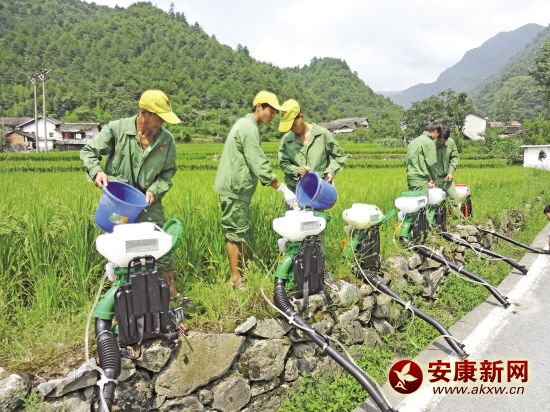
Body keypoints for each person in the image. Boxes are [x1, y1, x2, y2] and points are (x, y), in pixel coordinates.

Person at [81, 90, 180, 299]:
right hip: (120, 204)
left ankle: (170, 294)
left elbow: (168, 172)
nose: (162, 122)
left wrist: (155, 190)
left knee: (160, 246)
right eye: (158, 117)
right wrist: (97, 172)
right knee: (121, 250)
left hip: (148, 204)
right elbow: (88, 151)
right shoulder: (117, 130)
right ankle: (123, 296)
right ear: (143, 112)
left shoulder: (166, 140)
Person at [214, 91, 297, 288]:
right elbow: (257, 161)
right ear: (259, 106)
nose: (273, 116)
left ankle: (239, 276)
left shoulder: (247, 126)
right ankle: (236, 279)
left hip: (237, 188)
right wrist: (281, 187)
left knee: (239, 231)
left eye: (275, 112)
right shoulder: (248, 128)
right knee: (235, 233)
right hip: (235, 189)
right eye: (271, 111)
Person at [278, 99, 348, 193]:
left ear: (301, 117)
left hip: (319, 190)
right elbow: (283, 163)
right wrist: (298, 170)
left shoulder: (322, 134)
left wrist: (330, 172)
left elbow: (340, 156)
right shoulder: (286, 140)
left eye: (293, 124)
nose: (291, 128)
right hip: (296, 191)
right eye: (289, 126)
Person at [405, 121, 440, 197]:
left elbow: (406, 161)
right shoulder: (430, 143)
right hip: (420, 179)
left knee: (413, 202)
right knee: (422, 203)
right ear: (436, 132)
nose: (437, 138)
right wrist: (434, 179)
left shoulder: (413, 141)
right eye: (438, 135)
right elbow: (431, 163)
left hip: (410, 178)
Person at [436, 127, 462, 219]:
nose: (440, 142)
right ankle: (435, 223)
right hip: (434, 178)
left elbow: (455, 157)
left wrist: (450, 172)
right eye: (439, 140)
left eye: (442, 141)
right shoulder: (431, 144)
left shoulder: (451, 142)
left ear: (446, 139)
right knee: (435, 202)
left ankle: (456, 221)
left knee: (454, 198)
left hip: (447, 178)